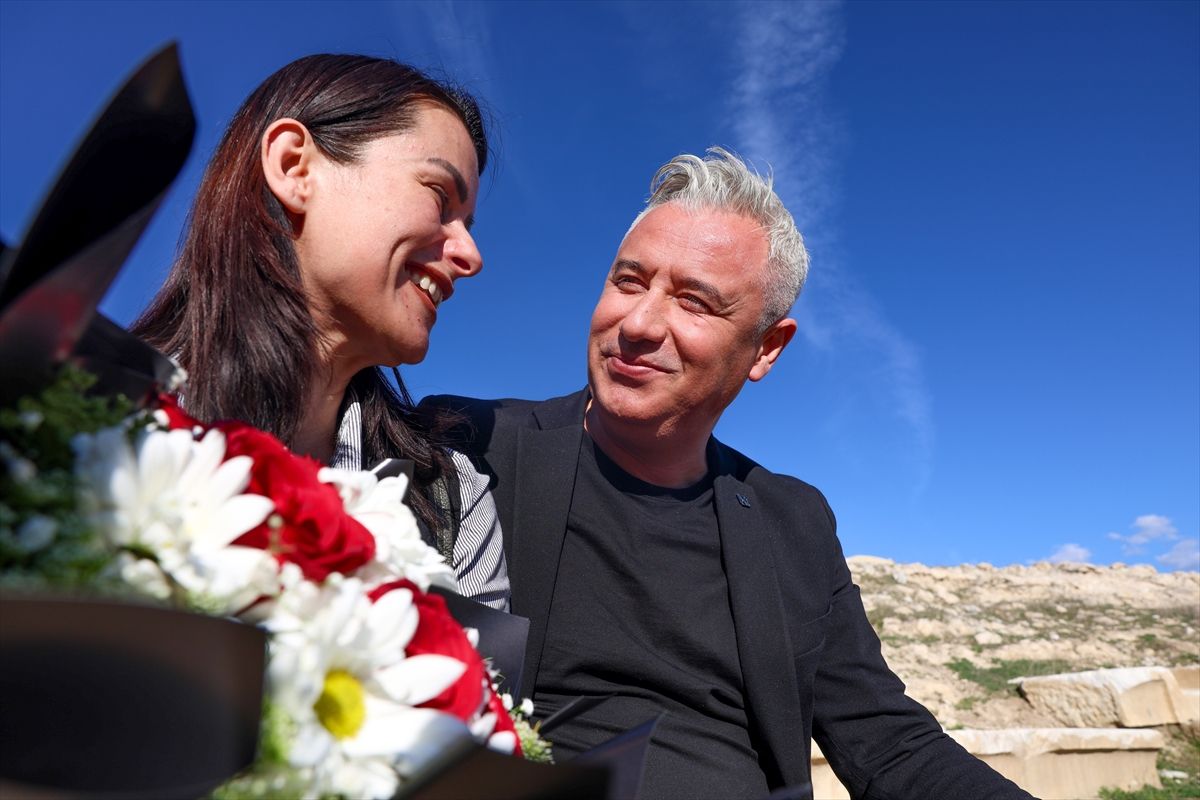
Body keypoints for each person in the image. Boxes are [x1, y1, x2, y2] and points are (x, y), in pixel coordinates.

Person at [424, 149, 1034, 797]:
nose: (638, 323)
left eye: (694, 302)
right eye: (628, 282)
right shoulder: (471, 444)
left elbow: (887, 743)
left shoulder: (792, 520)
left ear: (766, 348)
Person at [133, 55, 508, 609]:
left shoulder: (452, 502)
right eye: (439, 196)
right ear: (294, 168)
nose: (471, 256)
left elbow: (478, 668)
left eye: (467, 225)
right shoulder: (84, 405)